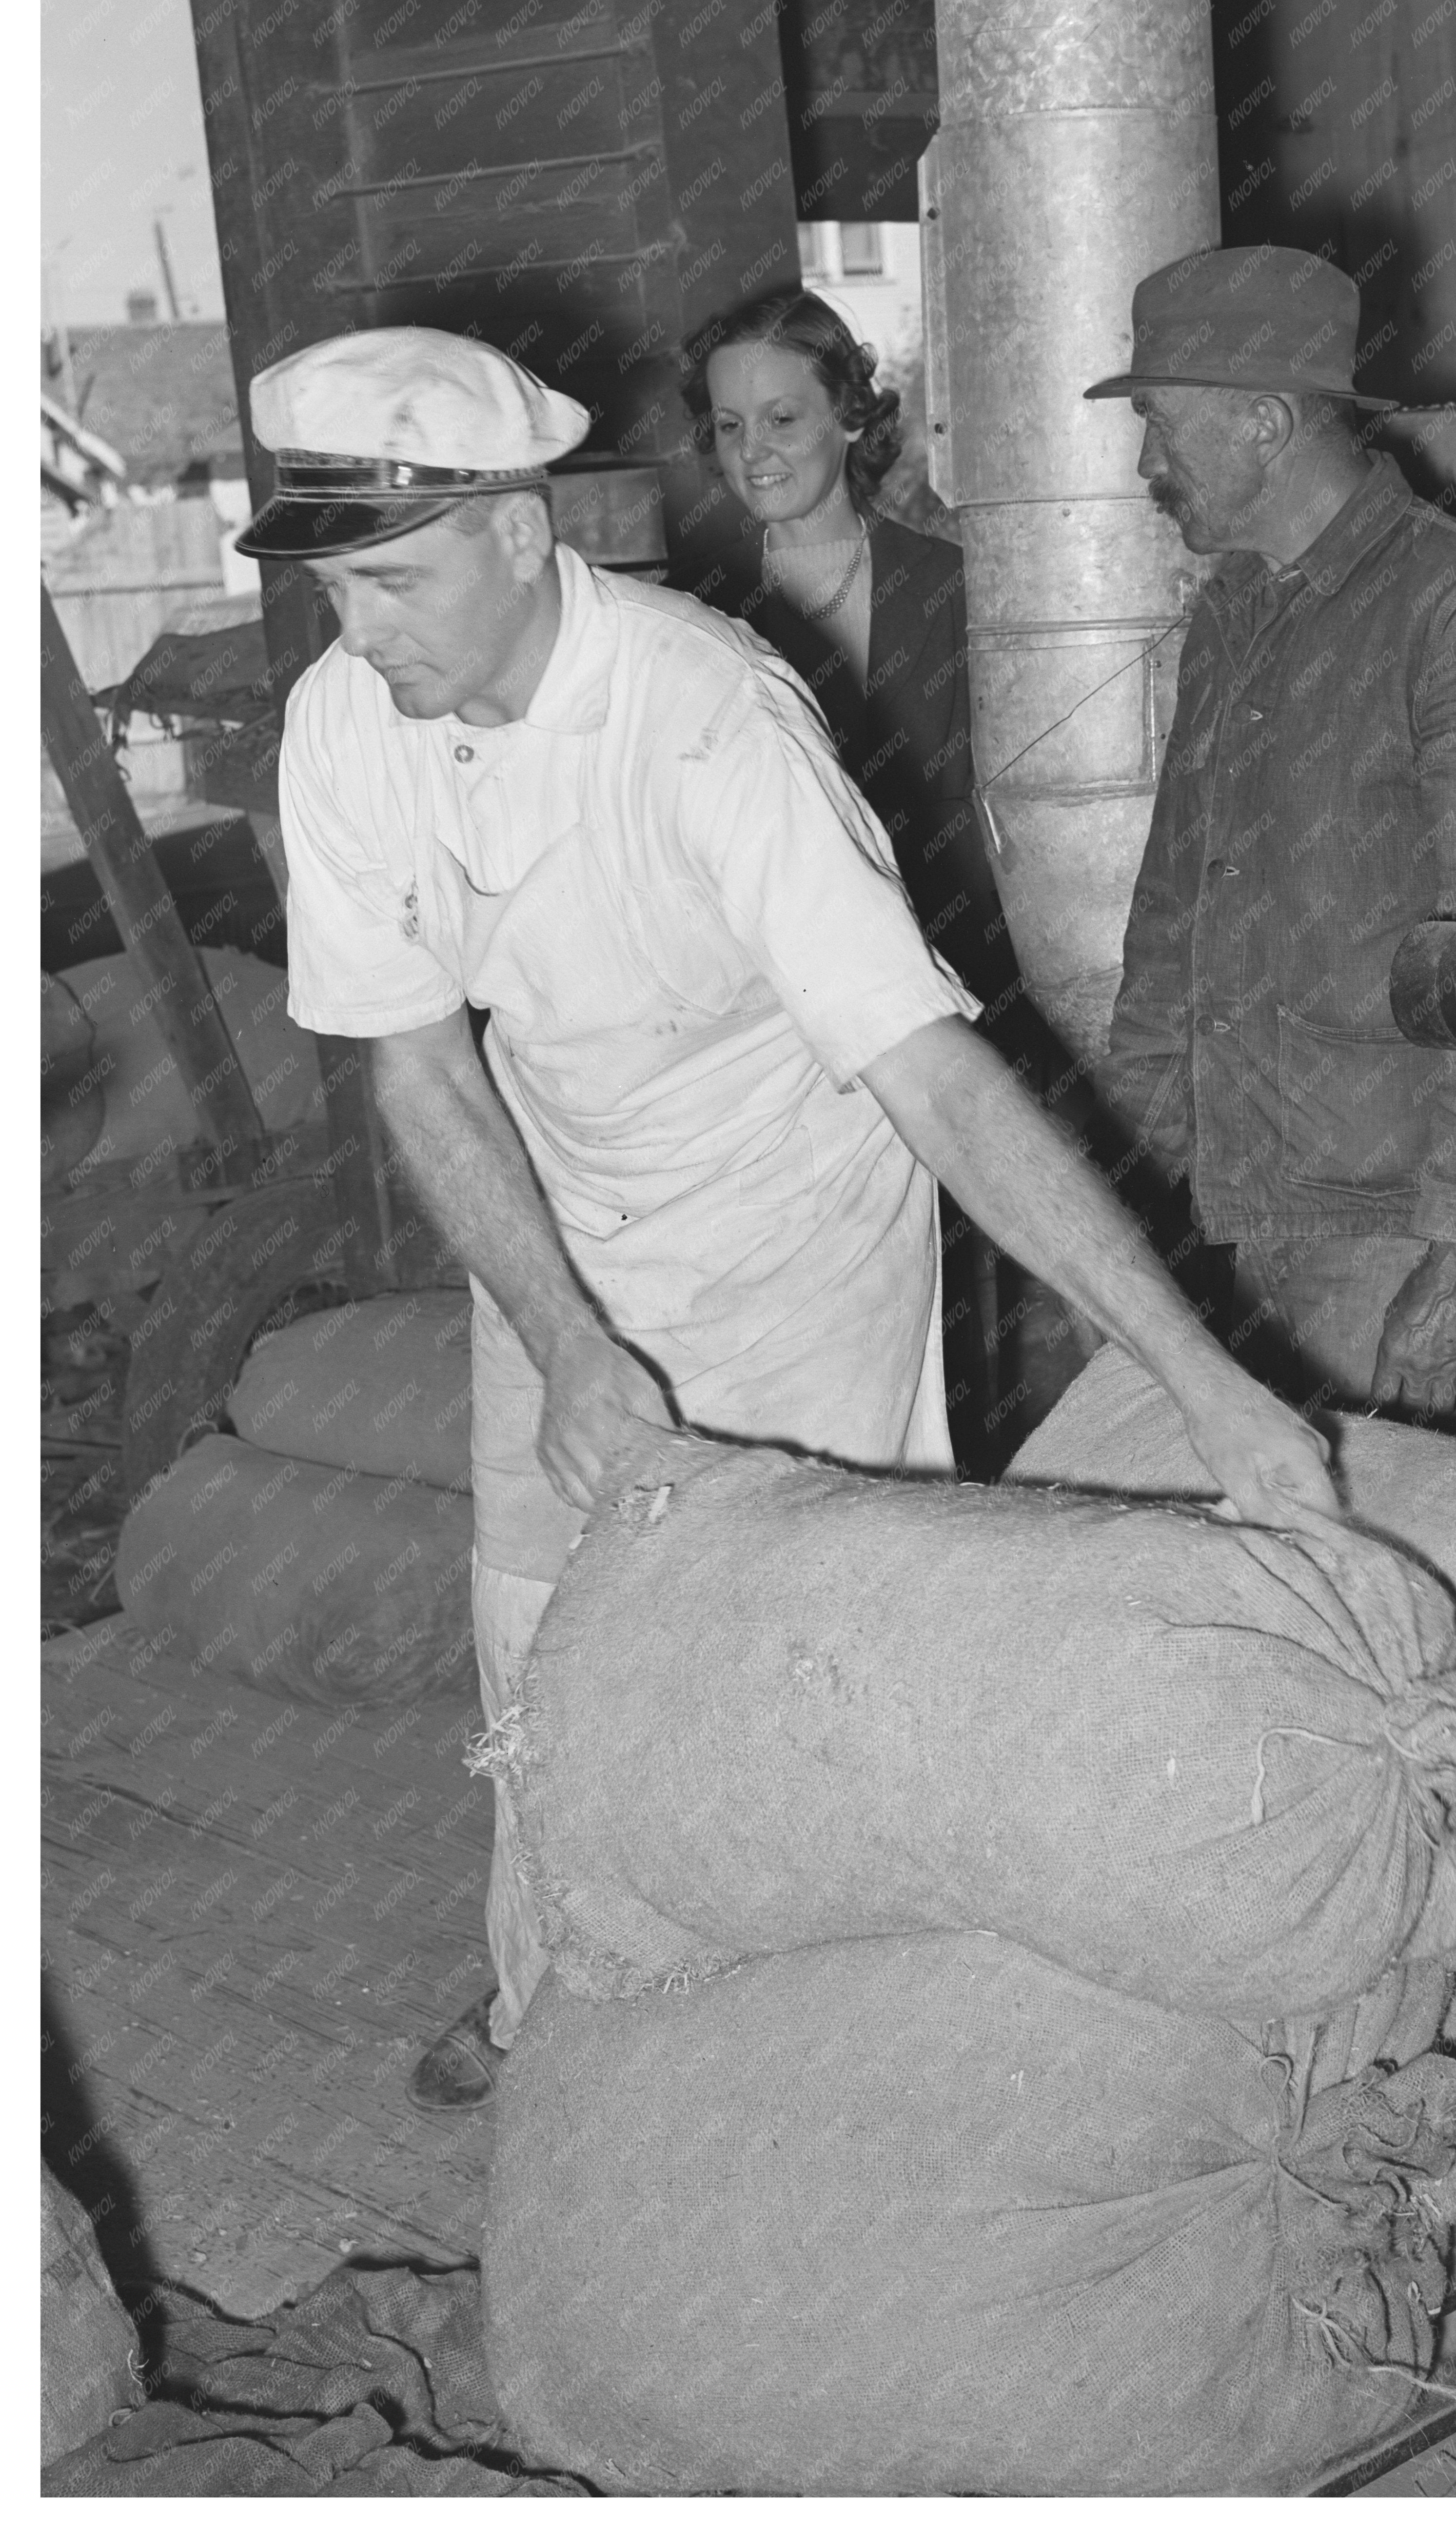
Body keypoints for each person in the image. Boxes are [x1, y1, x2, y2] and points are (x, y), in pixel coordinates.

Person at [244, 323, 1339, 2111]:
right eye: (332, 591)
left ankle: (812, 2036)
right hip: (556, 1216)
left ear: (523, 538)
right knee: (535, 1625)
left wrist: (1200, 1377)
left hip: (791, 1226)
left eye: (392, 581)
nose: (359, 633)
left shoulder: (711, 721)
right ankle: (552, 1994)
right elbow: (421, 1072)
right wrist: (569, 1342)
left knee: (789, 1643)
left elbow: (935, 1079)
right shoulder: (342, 722)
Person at [1085, 246, 1456, 1423]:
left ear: (1266, 423)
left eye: (1161, 425)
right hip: (1229, 1231)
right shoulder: (1233, 617)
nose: (1144, 464)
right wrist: (1128, 1200)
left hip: (1387, 1245)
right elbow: (1166, 943)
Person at [689, 290, 1058, 1468]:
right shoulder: (687, 621)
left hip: (933, 995)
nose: (757, 452)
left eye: (785, 417)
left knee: (953, 1321)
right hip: (760, 1026)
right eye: (730, 425)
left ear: (852, 418)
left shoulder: (954, 592)